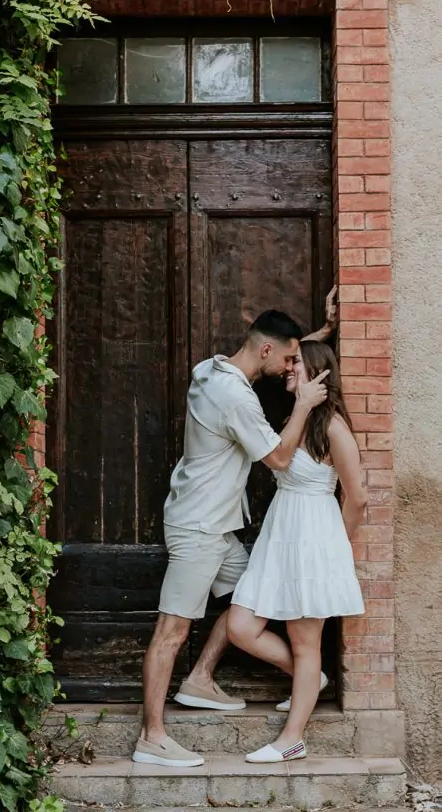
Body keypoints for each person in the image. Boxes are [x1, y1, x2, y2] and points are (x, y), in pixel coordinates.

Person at [132, 310, 330, 769]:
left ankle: (201, 679)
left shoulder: (212, 368)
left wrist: (319, 335)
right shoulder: (235, 397)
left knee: (249, 598)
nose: (290, 368)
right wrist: (303, 405)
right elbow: (279, 458)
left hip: (218, 526)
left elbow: (271, 351)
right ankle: (152, 737)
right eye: (289, 359)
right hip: (199, 526)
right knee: (172, 631)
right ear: (267, 350)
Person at [228, 340, 367, 764]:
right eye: (289, 362)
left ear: (320, 374)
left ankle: (292, 739)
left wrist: (336, 546)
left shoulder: (334, 428)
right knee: (240, 626)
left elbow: (358, 497)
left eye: (298, 364)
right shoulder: (297, 417)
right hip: (279, 534)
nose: (289, 368)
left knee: (306, 643)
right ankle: (311, 680)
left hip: (313, 536)